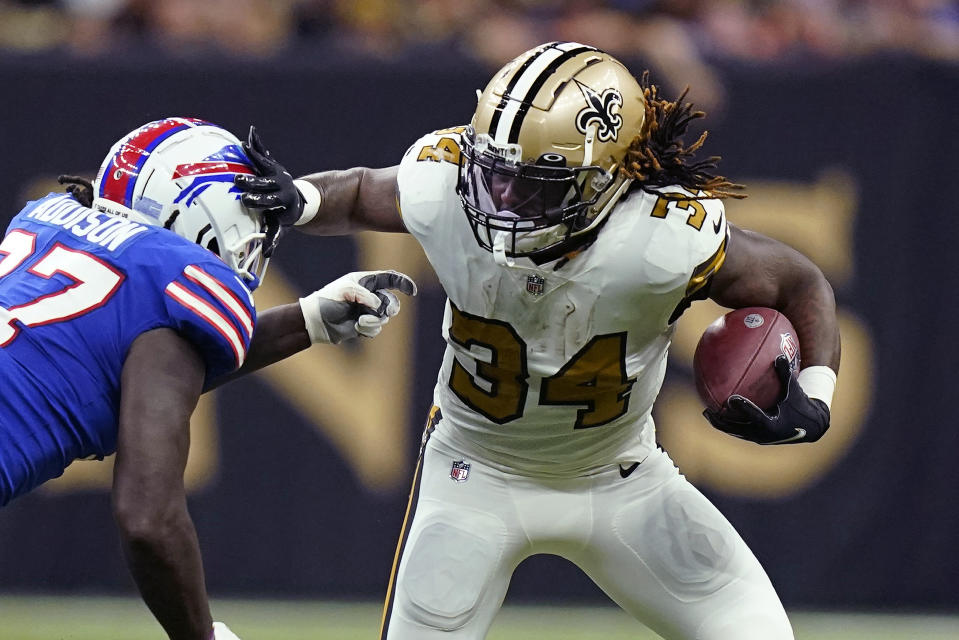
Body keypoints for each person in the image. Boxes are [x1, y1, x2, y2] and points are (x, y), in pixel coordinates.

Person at [236, 42, 840, 640]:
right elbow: (369, 191)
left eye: (535, 186)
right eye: (494, 175)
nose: (501, 200)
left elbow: (799, 281)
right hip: (473, 474)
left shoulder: (662, 238)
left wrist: (815, 395)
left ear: (608, 181)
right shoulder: (449, 182)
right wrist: (304, 199)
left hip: (622, 477)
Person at [0, 117, 415, 640]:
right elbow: (148, 520)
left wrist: (307, 319)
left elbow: (134, 355)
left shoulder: (48, 225)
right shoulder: (170, 293)